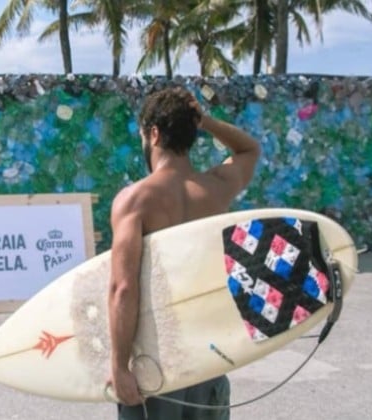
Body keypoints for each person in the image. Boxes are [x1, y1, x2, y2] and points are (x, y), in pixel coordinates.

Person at [107, 86, 261, 419]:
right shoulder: (217, 187)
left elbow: (124, 288)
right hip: (210, 360)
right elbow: (249, 149)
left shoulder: (134, 200)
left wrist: (119, 366)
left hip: (157, 366)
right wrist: (205, 122)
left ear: (154, 133)